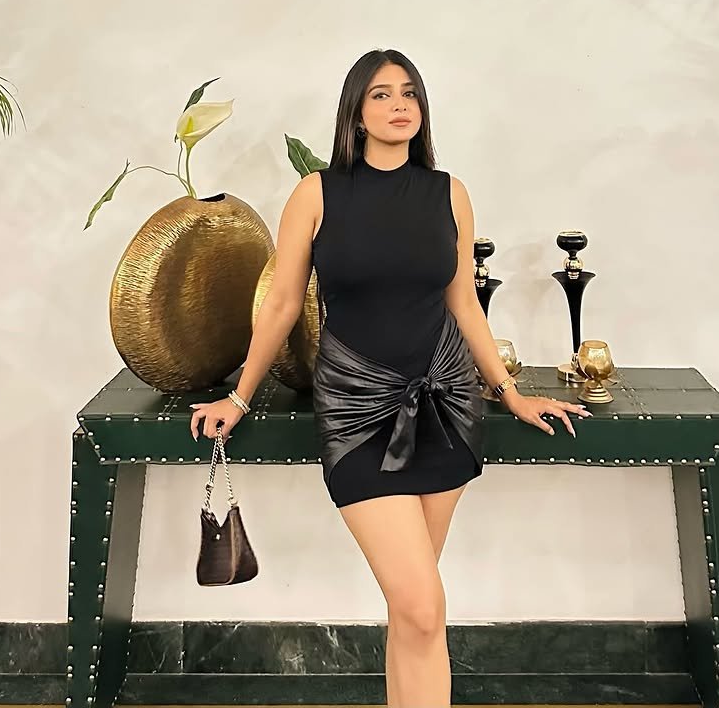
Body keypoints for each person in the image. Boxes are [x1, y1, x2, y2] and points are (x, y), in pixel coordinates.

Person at [190, 48, 590, 707]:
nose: (399, 105)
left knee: (414, 612)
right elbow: (283, 303)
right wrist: (239, 396)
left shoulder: (449, 193)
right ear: (356, 111)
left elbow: (464, 304)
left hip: (446, 403)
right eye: (381, 94)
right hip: (356, 411)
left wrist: (510, 392)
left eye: (409, 93)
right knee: (422, 605)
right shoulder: (316, 194)